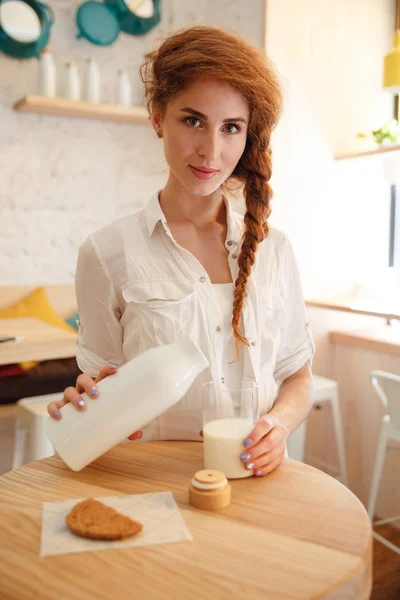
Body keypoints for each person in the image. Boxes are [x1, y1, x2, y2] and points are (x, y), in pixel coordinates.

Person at [47, 25, 315, 477]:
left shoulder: (275, 250)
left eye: (231, 128)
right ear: (157, 116)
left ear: (248, 136)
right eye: (192, 120)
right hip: (156, 487)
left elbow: (298, 377)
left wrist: (277, 425)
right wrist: (86, 403)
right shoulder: (106, 254)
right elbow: (104, 394)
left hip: (254, 480)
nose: (211, 150)